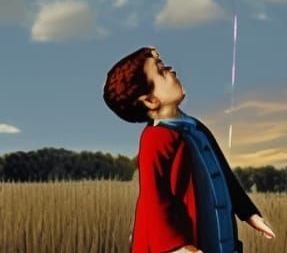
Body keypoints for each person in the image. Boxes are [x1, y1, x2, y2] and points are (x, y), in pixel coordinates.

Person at [103, 46, 275, 253]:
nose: (171, 70)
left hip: (221, 241)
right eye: (161, 71)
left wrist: (249, 214)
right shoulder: (155, 139)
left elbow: (224, 175)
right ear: (149, 100)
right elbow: (153, 199)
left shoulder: (195, 126)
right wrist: (180, 248)